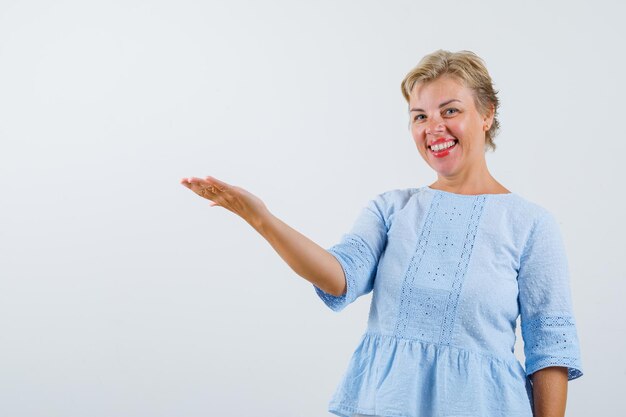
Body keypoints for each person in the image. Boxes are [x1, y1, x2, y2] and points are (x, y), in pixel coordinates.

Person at [180, 49, 583, 417]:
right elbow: (339, 277)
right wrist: (261, 219)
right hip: (384, 404)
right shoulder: (392, 208)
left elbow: (550, 349)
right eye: (420, 116)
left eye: (450, 111)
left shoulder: (531, 224)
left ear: (486, 114)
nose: (433, 127)